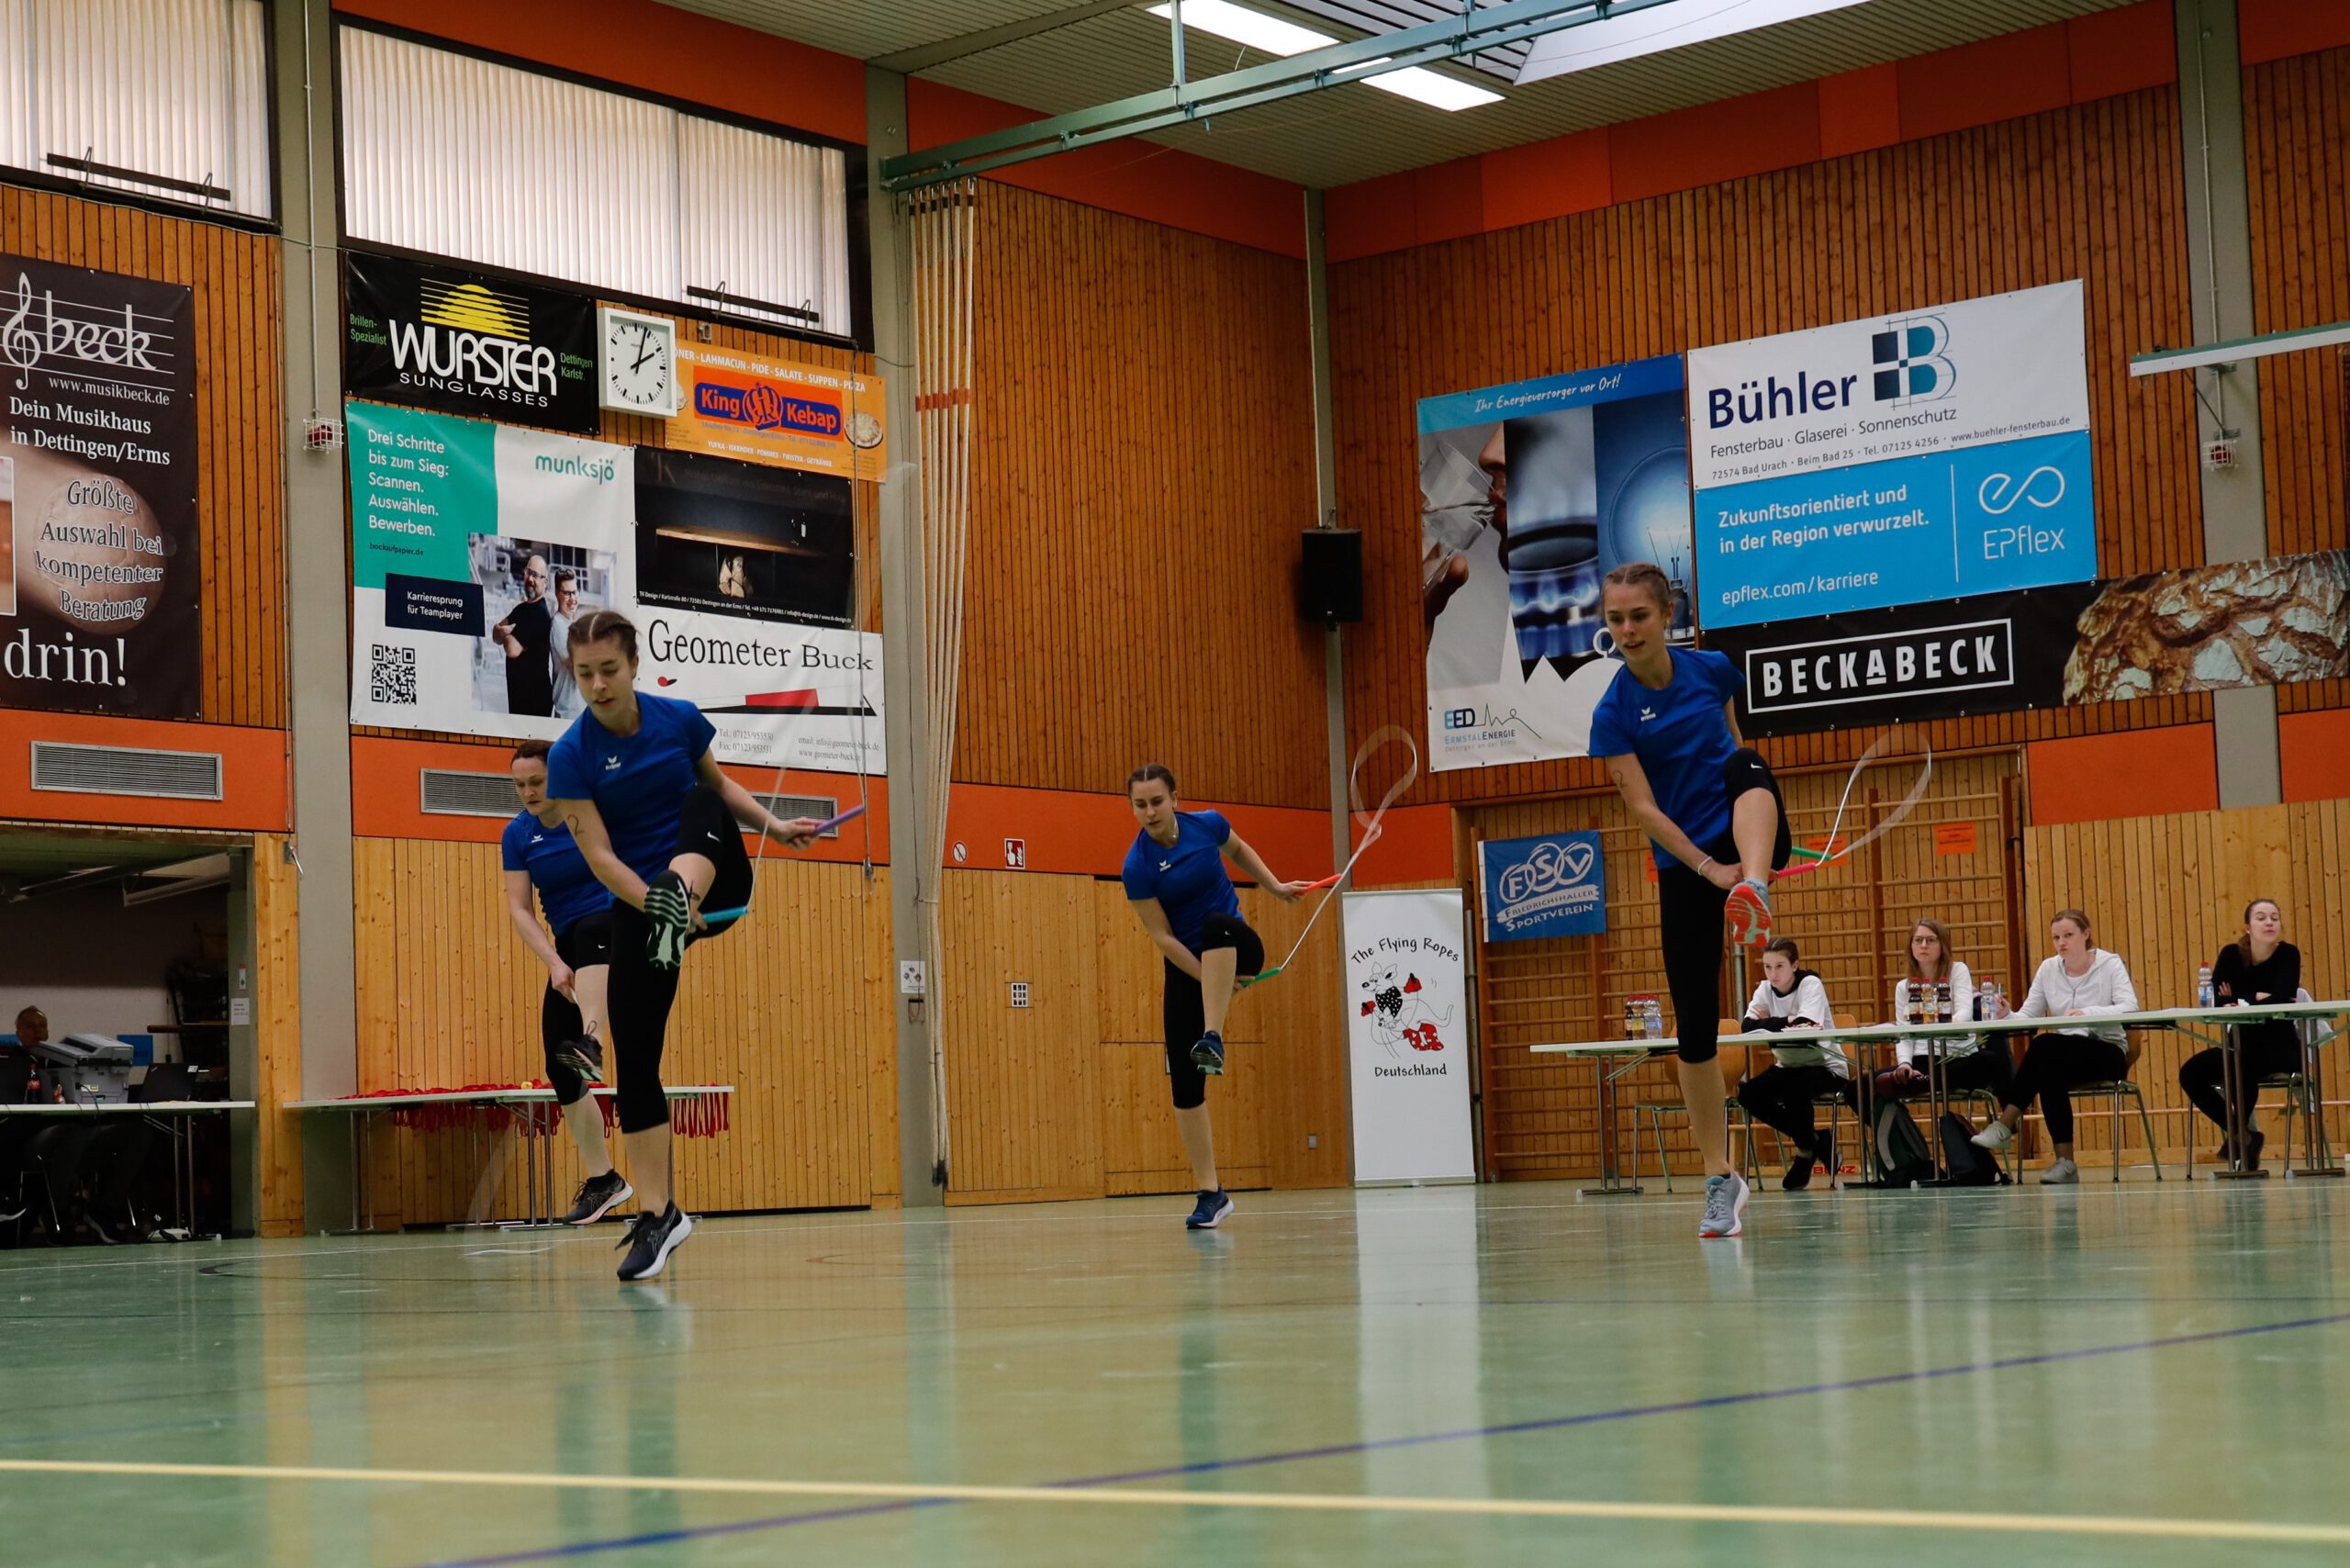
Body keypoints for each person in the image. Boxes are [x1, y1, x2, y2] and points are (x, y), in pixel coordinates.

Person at [545, 610, 822, 1280]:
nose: (598, 685)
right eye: (584, 674)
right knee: (637, 1060)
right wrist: (655, 904)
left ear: (634, 665)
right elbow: (602, 859)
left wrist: (777, 826)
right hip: (645, 911)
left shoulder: (679, 719)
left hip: (716, 881)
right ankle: (658, 1215)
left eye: (609, 670)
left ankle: (679, 896)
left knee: (700, 803)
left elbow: (719, 787)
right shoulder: (570, 755)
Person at [1591, 562, 1790, 1238]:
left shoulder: (1713, 670)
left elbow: (1733, 745)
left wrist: (1745, 863)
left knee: (1747, 762)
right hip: (1689, 865)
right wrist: (1710, 868)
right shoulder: (1613, 714)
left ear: (1665, 614)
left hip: (1748, 832)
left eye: (1637, 616)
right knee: (1696, 1028)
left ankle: (1757, 892)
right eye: (1615, 619)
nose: (1626, 629)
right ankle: (1719, 1177)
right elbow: (1642, 808)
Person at [1122, 765, 1307, 1230]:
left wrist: (1275, 886)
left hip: (1236, 941)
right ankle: (1211, 1193)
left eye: (1156, 802)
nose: (1149, 812)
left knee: (1214, 924)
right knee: (1185, 1087)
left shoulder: (1207, 825)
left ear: (1175, 799)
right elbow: (1161, 936)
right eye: (1140, 804)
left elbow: (1239, 850)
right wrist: (1209, 979)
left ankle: (1213, 1035)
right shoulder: (1136, 866)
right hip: (1187, 963)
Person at [502, 740, 631, 1226]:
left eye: (536, 782)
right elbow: (519, 907)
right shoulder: (518, 834)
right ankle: (604, 1180)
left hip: (617, 926)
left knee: (593, 927)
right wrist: (554, 963)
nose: (529, 792)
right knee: (559, 1062)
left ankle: (593, 1040)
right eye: (520, 785)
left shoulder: (591, 813)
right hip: (569, 947)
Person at [1970, 910, 2139, 1183]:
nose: (2062, 942)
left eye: (2068, 935)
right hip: (2066, 1055)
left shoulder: (2110, 964)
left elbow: (2129, 1006)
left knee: (2044, 1045)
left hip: (2107, 1051)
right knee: (2048, 1068)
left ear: (2086, 934)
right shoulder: (2049, 968)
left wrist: (2088, 1012)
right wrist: (2006, 1015)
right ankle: (2066, 1163)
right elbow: (2028, 1017)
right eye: (2056, 937)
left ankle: (2006, 1123)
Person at [2178, 898, 2301, 1170]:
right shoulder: (2231, 955)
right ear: (2248, 927)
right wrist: (2255, 997)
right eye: (2261, 917)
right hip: (2242, 1044)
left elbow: (2283, 998)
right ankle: (2243, 1135)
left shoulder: (2288, 954)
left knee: (2242, 1063)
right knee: (2191, 1073)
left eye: (2274, 917)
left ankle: (2241, 1141)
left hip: (2281, 1048)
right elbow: (2214, 1001)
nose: (2269, 922)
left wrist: (2238, 998)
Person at [1735, 938, 1854, 1191]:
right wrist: (1787, 1019)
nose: (1773, 973)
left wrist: (1773, 1022)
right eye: (1768, 967)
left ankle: (1805, 1152)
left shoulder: (1810, 984)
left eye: (1779, 966)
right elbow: (1746, 1026)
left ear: (1794, 966)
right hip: (1787, 1066)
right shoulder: (1764, 989)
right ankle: (1812, 1140)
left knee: (1793, 1087)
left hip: (1827, 1066)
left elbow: (1805, 1029)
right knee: (1748, 1094)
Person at [1876, 917, 2014, 1108]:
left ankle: (1925, 1081)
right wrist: (1904, 1064)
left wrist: (1934, 1024)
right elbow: (1904, 1034)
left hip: (1957, 1057)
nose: (1924, 945)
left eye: (1931, 940)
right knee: (1859, 1087)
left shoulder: (1958, 971)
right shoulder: (1903, 987)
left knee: (1991, 1061)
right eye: (1918, 940)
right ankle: (1903, 1127)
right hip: (1922, 1060)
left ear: (1942, 945)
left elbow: (1965, 1013)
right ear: (1911, 947)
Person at [491, 552, 556, 717]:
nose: (530, 579)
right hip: (518, 698)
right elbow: (495, 634)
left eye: (535, 575)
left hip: (535, 703)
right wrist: (509, 631)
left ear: (545, 582)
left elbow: (512, 649)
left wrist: (506, 631)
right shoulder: (521, 609)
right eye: (528, 573)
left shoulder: (540, 614)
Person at [547, 569, 584, 720]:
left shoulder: (572, 624)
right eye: (567, 593)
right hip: (567, 711)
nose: (572, 599)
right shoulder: (558, 625)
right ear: (557, 594)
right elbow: (577, 664)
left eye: (574, 592)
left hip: (579, 708)